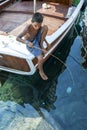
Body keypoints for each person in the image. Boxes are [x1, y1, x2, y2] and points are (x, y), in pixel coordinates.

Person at [16, 12, 49, 80]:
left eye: (39, 26)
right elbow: (17, 38)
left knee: (45, 27)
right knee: (40, 58)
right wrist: (27, 42)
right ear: (31, 22)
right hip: (31, 43)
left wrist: (46, 42)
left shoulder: (38, 27)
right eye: (35, 25)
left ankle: (41, 45)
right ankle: (41, 71)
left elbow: (40, 31)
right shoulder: (27, 28)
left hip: (36, 38)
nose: (37, 28)